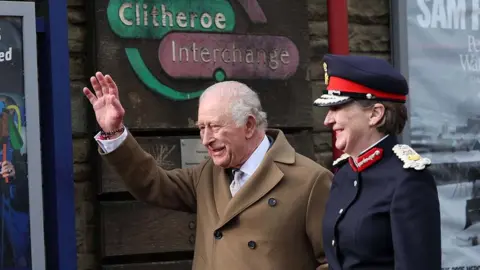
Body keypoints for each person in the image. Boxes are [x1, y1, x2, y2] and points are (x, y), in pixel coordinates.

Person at [83, 73, 333, 270]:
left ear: (248, 125)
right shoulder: (207, 175)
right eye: (201, 128)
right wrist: (115, 133)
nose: (205, 139)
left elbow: (332, 262)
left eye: (214, 127)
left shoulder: (310, 181)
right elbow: (153, 184)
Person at [313, 54, 441, 270]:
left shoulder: (408, 180)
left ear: (375, 114)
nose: (328, 120)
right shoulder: (344, 173)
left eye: (336, 108)